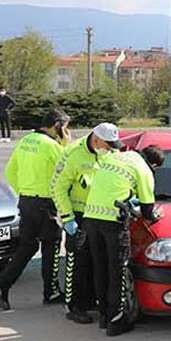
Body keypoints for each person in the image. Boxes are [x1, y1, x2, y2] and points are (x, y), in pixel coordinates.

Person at [0, 108, 71, 310]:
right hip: (46, 204)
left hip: (26, 201)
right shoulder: (52, 146)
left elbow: (10, 171)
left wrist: (24, 191)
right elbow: (66, 171)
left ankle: (2, 283)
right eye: (66, 127)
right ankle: (51, 292)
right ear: (58, 125)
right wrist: (65, 145)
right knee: (51, 246)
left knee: (27, 247)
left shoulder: (26, 141)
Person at [84, 145, 164, 336]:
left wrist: (129, 199)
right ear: (154, 165)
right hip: (113, 223)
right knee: (117, 270)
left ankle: (104, 317)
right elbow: (147, 209)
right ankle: (117, 320)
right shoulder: (143, 169)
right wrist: (155, 215)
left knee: (100, 267)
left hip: (91, 219)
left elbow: (109, 188)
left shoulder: (114, 158)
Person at [50, 122, 125, 324]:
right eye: (108, 144)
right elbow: (57, 187)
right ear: (96, 139)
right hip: (78, 215)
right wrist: (67, 218)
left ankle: (90, 301)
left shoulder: (108, 152)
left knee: (96, 261)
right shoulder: (73, 154)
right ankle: (74, 306)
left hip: (100, 216)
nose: (110, 148)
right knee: (78, 262)